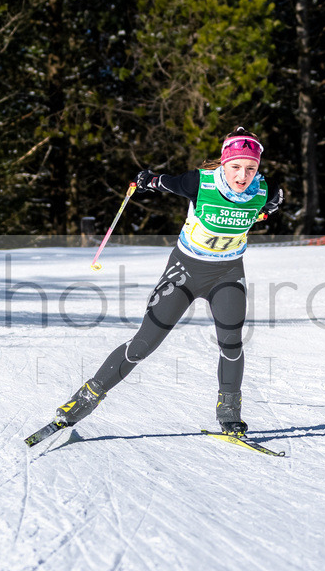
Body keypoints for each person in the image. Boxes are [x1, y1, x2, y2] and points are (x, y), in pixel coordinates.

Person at [53, 127, 284, 435]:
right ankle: (84, 399)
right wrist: (148, 181)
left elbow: (251, 212)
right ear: (223, 164)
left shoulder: (263, 190)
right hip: (185, 271)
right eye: (236, 167)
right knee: (142, 346)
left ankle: (229, 413)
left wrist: (266, 211)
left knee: (231, 344)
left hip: (228, 273)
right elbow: (167, 183)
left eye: (251, 168)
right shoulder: (199, 182)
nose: (243, 176)